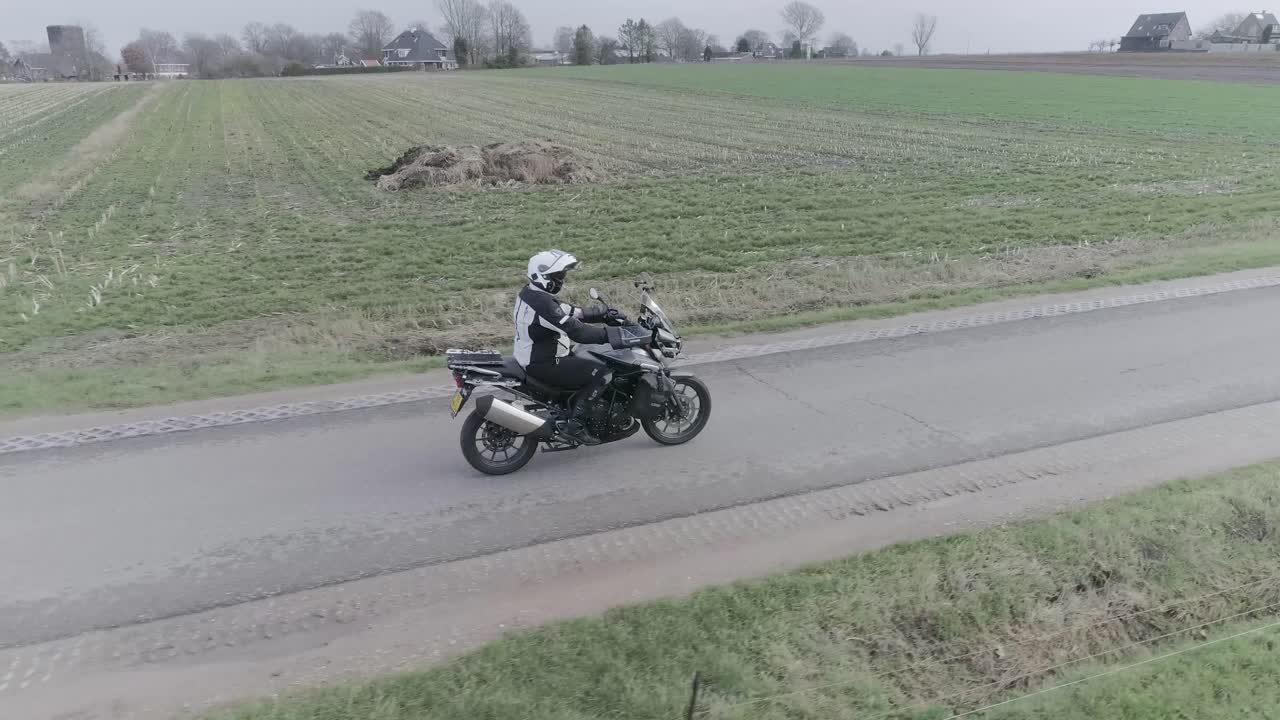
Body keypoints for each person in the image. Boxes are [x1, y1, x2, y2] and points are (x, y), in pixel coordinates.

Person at [513, 250, 626, 445]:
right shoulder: (543, 304)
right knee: (603, 373)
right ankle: (575, 426)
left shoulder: (531, 293)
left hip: (536, 355)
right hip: (546, 362)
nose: (561, 280)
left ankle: (573, 407)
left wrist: (600, 313)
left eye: (562, 275)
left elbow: (565, 310)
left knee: (586, 358)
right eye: (558, 276)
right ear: (543, 276)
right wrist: (614, 335)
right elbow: (578, 332)